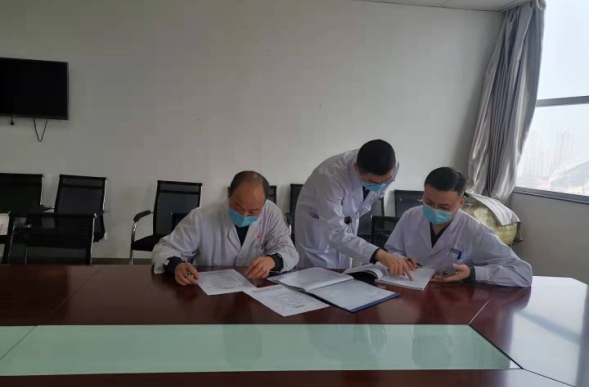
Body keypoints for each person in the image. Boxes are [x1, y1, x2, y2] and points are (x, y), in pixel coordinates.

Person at [385, 167, 533, 287]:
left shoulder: (476, 232)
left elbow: (522, 273)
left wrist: (472, 273)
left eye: (444, 207)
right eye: (428, 203)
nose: (435, 210)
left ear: (461, 202)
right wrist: (400, 259)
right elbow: (392, 249)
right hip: (409, 288)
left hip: (451, 299)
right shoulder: (410, 216)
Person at [295, 139, 415, 278]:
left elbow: (370, 197)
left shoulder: (392, 166)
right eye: (373, 182)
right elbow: (335, 233)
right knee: (316, 278)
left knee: (343, 275)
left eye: (386, 181)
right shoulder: (330, 176)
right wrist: (380, 255)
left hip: (349, 219)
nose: (380, 186)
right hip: (318, 227)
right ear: (356, 167)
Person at [152, 171, 298, 285]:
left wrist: (273, 260)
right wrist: (176, 265)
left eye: (253, 211)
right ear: (229, 193)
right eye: (238, 207)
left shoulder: (271, 213)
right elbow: (164, 248)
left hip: (254, 288)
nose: (245, 215)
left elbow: (289, 251)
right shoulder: (202, 216)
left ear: (264, 203)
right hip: (209, 292)